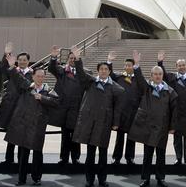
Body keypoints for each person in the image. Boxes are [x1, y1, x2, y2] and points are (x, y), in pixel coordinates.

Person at [4, 53, 59, 186]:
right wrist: (12, 66)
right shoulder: (27, 86)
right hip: (24, 125)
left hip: (38, 127)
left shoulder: (49, 90)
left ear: (44, 77)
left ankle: (36, 178)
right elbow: (17, 77)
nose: (40, 78)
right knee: (23, 155)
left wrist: (43, 98)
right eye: (37, 76)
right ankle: (21, 179)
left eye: (42, 76)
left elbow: (57, 103)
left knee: (37, 154)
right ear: (33, 76)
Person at [72, 48, 124, 187]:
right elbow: (81, 74)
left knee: (102, 154)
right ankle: (89, 180)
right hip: (90, 122)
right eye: (101, 69)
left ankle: (102, 179)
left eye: (106, 69)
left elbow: (118, 108)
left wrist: (116, 123)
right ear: (98, 71)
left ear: (109, 71)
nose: (103, 71)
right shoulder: (90, 82)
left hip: (104, 124)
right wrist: (77, 60)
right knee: (90, 154)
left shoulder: (116, 88)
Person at [128, 51, 178, 187]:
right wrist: (137, 65)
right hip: (148, 127)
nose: (157, 76)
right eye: (155, 74)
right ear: (151, 76)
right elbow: (139, 79)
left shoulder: (170, 91)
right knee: (147, 155)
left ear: (163, 75)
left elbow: (174, 110)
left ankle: (160, 178)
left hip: (162, 128)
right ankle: (146, 179)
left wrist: (172, 127)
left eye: (160, 74)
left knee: (161, 155)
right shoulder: (147, 88)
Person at [158, 51, 186, 166]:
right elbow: (163, 74)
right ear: (176, 67)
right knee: (177, 137)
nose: (181, 67)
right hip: (175, 113)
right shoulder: (171, 78)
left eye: (183, 65)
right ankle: (178, 158)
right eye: (179, 65)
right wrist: (160, 62)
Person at [47, 45, 84, 165]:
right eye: (71, 58)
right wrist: (53, 57)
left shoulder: (83, 73)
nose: (73, 60)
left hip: (76, 107)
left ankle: (75, 158)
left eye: (75, 58)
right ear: (68, 59)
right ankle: (64, 158)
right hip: (63, 108)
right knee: (65, 135)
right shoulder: (62, 70)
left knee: (76, 135)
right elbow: (52, 68)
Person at [0, 42, 33, 165]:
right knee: (11, 133)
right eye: (20, 60)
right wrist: (6, 54)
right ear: (17, 61)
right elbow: (2, 68)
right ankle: (9, 159)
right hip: (11, 106)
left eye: (24, 60)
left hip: (24, 107)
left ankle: (21, 161)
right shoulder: (11, 70)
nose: (22, 62)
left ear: (28, 61)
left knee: (22, 134)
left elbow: (25, 85)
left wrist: (13, 69)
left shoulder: (32, 74)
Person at [107, 51, 141, 165]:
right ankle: (116, 158)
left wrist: (137, 64)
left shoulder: (138, 79)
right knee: (119, 137)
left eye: (129, 65)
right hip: (121, 112)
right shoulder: (119, 77)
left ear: (133, 66)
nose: (127, 67)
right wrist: (109, 62)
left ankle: (130, 157)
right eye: (125, 65)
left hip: (133, 112)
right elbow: (110, 75)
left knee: (132, 137)